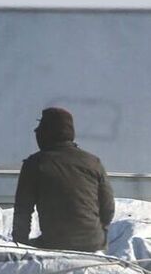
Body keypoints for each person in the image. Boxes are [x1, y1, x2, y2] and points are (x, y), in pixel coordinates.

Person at [12, 107, 114, 252]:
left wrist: (19, 247)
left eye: (40, 127)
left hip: (55, 243)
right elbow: (108, 209)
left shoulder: (35, 164)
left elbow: (23, 210)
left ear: (47, 132)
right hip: (95, 244)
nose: (36, 131)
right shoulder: (93, 162)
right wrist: (97, 232)